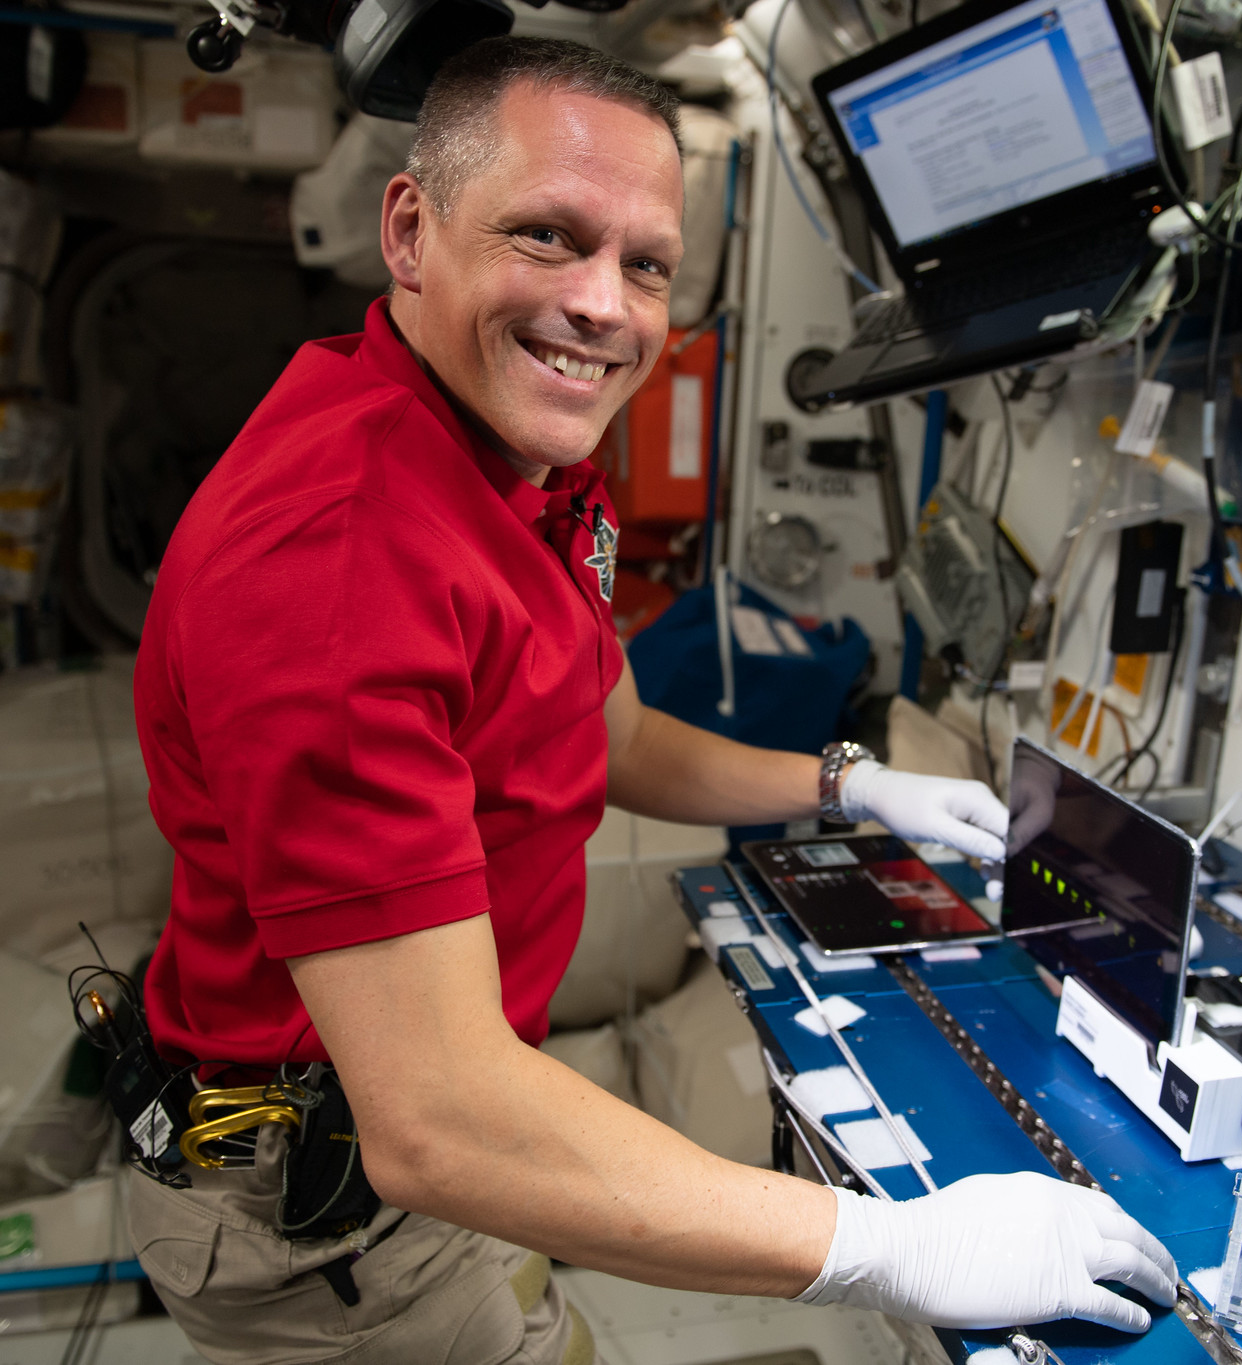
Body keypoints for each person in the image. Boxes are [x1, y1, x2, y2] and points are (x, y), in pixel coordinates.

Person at [127, 35, 1178, 1364]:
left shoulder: (526, 457)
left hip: (443, 1136)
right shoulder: (337, 562)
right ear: (410, 228)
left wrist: (849, 780)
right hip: (331, 1220)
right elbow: (436, 1121)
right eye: (548, 237)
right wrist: (894, 1247)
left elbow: (608, 731)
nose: (605, 306)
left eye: (644, 264)